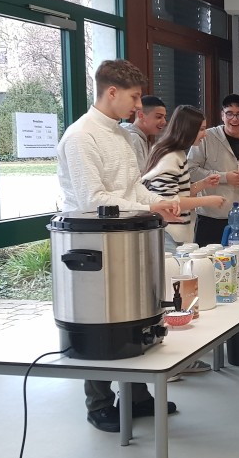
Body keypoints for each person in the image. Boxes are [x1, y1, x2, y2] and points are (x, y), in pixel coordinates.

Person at [56, 59, 181, 433]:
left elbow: (133, 187)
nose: (138, 106)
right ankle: (99, 404)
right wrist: (148, 208)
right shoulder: (81, 137)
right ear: (111, 92)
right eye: (134, 97)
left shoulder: (123, 136)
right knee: (99, 320)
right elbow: (93, 198)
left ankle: (136, 395)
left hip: (131, 237)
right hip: (92, 243)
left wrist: (158, 202)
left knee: (136, 315)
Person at [141, 105, 225, 253]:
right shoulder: (170, 157)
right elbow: (168, 202)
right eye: (201, 129)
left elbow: (178, 194)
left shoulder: (176, 153)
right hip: (167, 234)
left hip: (172, 234)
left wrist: (203, 184)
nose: (205, 134)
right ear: (188, 129)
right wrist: (208, 200)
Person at [187, 94, 239, 245]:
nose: (234, 119)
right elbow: (190, 171)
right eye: (229, 113)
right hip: (210, 218)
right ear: (222, 115)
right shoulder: (207, 137)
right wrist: (225, 177)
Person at [122, 95, 167, 172]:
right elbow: (140, 175)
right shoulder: (134, 138)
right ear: (141, 115)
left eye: (164, 117)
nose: (164, 122)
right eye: (159, 117)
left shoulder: (142, 139)